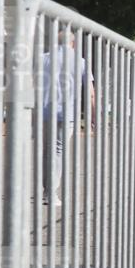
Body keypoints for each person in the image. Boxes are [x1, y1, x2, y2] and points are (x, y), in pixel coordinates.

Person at [41, 29, 95, 206]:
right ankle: (51, 193)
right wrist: (93, 116)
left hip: (46, 110)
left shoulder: (44, 58)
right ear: (73, 43)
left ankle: (46, 190)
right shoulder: (80, 61)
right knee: (58, 150)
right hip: (67, 112)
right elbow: (91, 93)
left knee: (47, 150)